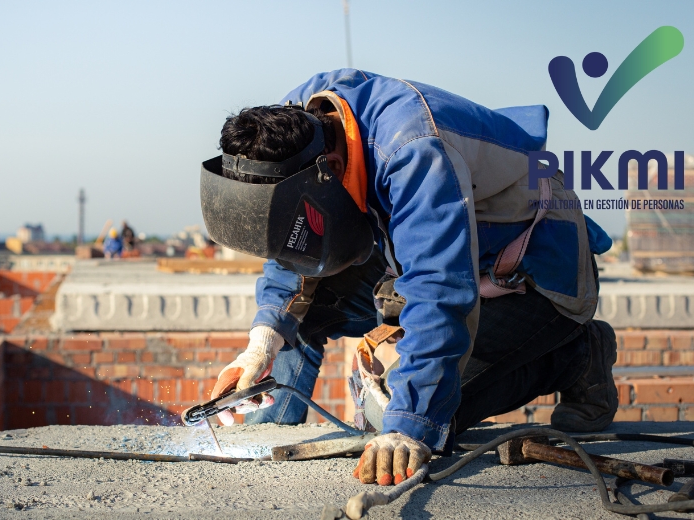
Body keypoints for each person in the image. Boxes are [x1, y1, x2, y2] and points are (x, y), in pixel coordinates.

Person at [199, 69, 617, 486]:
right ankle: (267, 431)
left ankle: (576, 358)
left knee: (417, 415)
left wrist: (407, 426)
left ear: (330, 167)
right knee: (297, 317)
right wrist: (262, 343)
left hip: (533, 274)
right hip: (435, 257)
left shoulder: (413, 151)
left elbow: (440, 290)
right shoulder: (301, 121)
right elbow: (291, 245)